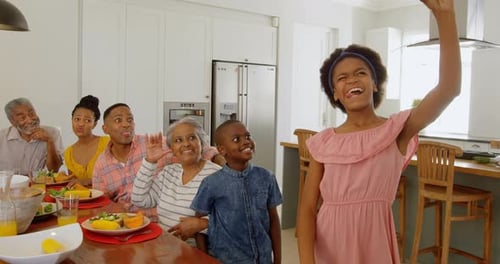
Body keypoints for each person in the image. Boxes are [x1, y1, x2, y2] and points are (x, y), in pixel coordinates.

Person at [296, 0, 461, 263]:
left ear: (374, 83)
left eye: (361, 73)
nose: (351, 79)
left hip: (375, 244)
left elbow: (449, 89)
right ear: (336, 95)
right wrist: (306, 261)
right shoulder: (323, 142)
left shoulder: (397, 129)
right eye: (341, 78)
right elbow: (306, 210)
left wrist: (445, 16)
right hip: (330, 245)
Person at [92, 103, 223, 218]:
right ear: (105, 129)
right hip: (125, 223)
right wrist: (112, 209)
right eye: (118, 120)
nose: (126, 124)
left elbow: (195, 147)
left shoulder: (154, 144)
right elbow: (100, 201)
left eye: (130, 120)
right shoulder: (101, 164)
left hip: (159, 221)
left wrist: (222, 163)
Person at [191, 120, 283, 264]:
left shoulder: (267, 177)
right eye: (236, 139)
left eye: (248, 136)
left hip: (263, 259)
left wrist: (277, 259)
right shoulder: (211, 183)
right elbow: (197, 225)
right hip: (227, 259)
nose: (246, 142)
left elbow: (274, 220)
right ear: (222, 150)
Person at [131, 117, 221, 250]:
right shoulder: (168, 172)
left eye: (192, 138)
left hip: (196, 252)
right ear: (172, 149)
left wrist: (202, 223)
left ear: (202, 142)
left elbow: (234, 218)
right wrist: (150, 162)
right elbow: (139, 200)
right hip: (163, 246)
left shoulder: (217, 175)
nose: (186, 144)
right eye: (178, 140)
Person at [0, 98, 64, 175]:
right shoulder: (2, 137)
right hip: (8, 185)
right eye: (22, 118)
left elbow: (54, 170)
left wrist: (49, 141)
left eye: (31, 114)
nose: (30, 120)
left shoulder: (52, 133)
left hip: (37, 185)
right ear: (12, 121)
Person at [63, 95, 109, 185]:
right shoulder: (68, 153)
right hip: (82, 198)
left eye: (87, 120)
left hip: (108, 197)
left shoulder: (107, 143)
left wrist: (88, 181)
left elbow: (118, 176)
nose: (80, 124)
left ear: (94, 124)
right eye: (77, 119)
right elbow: (74, 184)